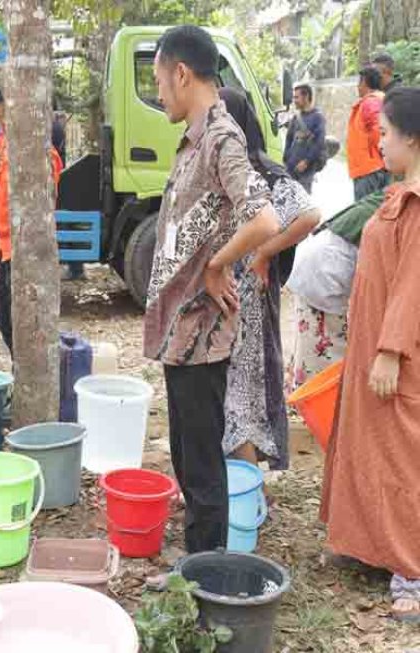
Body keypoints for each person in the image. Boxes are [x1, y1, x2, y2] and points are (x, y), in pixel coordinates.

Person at [144, 26, 279, 554]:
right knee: (186, 455)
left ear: (181, 74)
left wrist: (219, 265)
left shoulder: (221, 136)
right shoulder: (195, 136)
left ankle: (206, 583)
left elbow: (264, 219)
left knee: (202, 468)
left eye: (159, 80)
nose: (158, 92)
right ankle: (196, 567)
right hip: (182, 330)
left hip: (203, 334)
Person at [321, 87, 420, 623]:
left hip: (396, 352)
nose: (377, 143)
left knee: (403, 458)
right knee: (364, 443)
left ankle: (412, 567)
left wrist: (391, 350)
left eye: (384, 134)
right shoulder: (396, 195)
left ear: (412, 138)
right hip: (371, 342)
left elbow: (412, 286)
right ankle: (364, 543)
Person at [218, 88, 321, 471]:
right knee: (229, 401)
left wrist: (264, 253)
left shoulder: (263, 174)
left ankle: (250, 495)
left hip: (248, 307)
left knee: (240, 402)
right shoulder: (223, 169)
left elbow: (309, 214)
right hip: (221, 303)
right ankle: (237, 487)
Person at [0, 88, 63, 354]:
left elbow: (46, 211)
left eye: (6, 117)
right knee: (5, 324)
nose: (2, 124)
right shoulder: (1, 145)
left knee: (26, 328)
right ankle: (19, 377)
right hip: (5, 249)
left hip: (28, 256)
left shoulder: (41, 155)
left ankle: (28, 385)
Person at [347, 66, 389, 201]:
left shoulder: (371, 102)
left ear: (365, 82)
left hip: (369, 170)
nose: (357, 86)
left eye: (359, 82)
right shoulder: (377, 101)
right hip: (371, 168)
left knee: (366, 215)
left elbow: (378, 131)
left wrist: (378, 156)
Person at [284, 84, 326, 193]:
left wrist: (306, 162)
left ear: (306, 96)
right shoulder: (296, 117)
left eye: (296, 97)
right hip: (291, 168)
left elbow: (319, 143)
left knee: (303, 200)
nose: (294, 100)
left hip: (306, 171)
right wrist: (286, 158)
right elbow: (289, 139)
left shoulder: (317, 118)